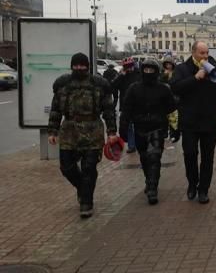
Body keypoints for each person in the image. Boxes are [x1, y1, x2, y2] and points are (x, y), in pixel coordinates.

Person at [47, 52, 117, 218]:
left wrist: (112, 132)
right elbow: (56, 109)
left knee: (89, 168)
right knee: (66, 167)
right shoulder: (63, 84)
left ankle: (86, 202)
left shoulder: (99, 84)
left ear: (88, 66)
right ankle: (82, 187)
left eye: (82, 65)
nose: (79, 68)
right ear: (71, 66)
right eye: (76, 65)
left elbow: (108, 110)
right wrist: (52, 130)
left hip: (93, 130)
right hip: (69, 131)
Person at [171, 41, 216, 203]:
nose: (205, 56)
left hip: (209, 121)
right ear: (193, 53)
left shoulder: (214, 69)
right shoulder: (182, 69)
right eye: (201, 53)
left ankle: (203, 189)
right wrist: (195, 78)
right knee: (190, 154)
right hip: (189, 121)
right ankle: (192, 183)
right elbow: (175, 88)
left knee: (207, 157)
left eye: (206, 53)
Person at [119, 59, 177, 205]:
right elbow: (126, 109)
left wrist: (175, 129)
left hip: (158, 127)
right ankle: (148, 180)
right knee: (144, 158)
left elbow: (172, 110)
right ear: (142, 71)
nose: (149, 73)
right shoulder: (134, 88)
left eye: (152, 70)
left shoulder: (164, 89)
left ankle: (152, 188)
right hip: (140, 128)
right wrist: (123, 127)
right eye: (146, 70)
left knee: (155, 158)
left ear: (156, 72)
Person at [111, 57, 141, 153]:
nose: (129, 68)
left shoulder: (138, 74)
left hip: (138, 104)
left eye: (130, 66)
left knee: (138, 125)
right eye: (127, 67)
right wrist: (121, 76)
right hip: (125, 105)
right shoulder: (121, 76)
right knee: (128, 126)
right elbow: (113, 86)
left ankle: (139, 144)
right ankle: (131, 146)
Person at [160, 56, 180, 143]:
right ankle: (165, 133)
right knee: (164, 117)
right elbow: (160, 82)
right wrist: (164, 75)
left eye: (170, 64)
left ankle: (173, 134)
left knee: (173, 117)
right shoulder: (163, 72)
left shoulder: (175, 73)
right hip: (164, 98)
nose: (168, 66)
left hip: (173, 97)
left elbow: (176, 83)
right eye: (167, 64)